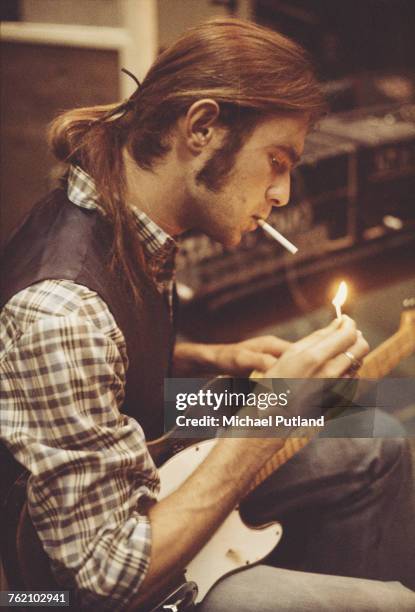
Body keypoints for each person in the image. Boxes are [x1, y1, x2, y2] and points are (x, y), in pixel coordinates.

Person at [0, 17, 414, 612]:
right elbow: (102, 580)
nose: (283, 194)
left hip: (151, 432)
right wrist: (262, 423)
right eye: (277, 160)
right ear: (202, 127)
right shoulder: (62, 311)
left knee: (374, 432)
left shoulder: (127, 212)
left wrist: (214, 359)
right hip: (66, 588)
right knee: (397, 603)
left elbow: (109, 362)